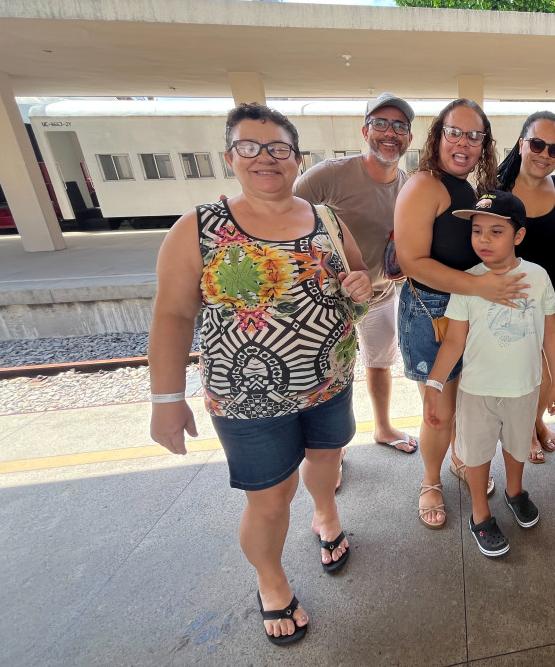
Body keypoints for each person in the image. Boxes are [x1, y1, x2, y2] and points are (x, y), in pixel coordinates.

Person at [148, 103, 373, 647]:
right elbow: (173, 315)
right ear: (230, 157)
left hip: (329, 380)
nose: (265, 157)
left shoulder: (327, 219)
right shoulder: (198, 228)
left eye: (278, 148)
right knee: (270, 499)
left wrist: (360, 286)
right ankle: (271, 580)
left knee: (327, 461)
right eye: (249, 147)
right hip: (246, 398)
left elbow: (358, 277)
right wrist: (166, 398)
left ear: (297, 158)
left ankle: (326, 515)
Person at [393, 98, 528, 529]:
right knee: (440, 409)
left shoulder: (467, 189)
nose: (464, 143)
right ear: (438, 136)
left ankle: (457, 458)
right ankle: (430, 482)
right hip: (432, 310)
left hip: (466, 308)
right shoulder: (424, 185)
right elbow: (412, 261)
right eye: (455, 132)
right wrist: (480, 287)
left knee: (464, 401)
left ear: (484, 144)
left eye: (474, 136)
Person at [424, 191, 555, 556]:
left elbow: (551, 332)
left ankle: (515, 492)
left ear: (519, 235)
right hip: (477, 391)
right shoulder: (466, 283)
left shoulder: (537, 277)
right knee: (477, 453)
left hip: (524, 387)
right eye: (477, 230)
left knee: (517, 446)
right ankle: (480, 513)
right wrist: (434, 384)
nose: (483, 239)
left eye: (496, 231)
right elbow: (454, 342)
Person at [294, 92, 418, 455]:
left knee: (379, 364)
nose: (390, 132)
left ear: (409, 138)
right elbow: (286, 214)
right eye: (381, 123)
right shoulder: (329, 175)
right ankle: (330, 450)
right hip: (329, 299)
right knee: (329, 373)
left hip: (380, 294)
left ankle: (382, 427)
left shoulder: (409, 185)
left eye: (400, 126)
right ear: (365, 131)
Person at [497, 111, 555, 464]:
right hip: (513, 297)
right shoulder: (496, 190)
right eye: (537, 144)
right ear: (521, 143)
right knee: (526, 372)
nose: (545, 154)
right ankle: (527, 429)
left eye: (554, 149)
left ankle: (537, 420)